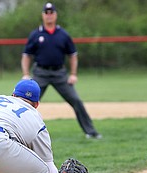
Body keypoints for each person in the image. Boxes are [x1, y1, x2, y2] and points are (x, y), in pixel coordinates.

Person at [21, 2, 102, 139]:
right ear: (43, 15)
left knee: (76, 101)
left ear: (55, 15)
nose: (49, 15)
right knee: (26, 102)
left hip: (60, 74)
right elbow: (26, 56)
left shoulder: (63, 34)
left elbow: (73, 56)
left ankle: (91, 132)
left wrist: (73, 74)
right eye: (46, 13)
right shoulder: (36, 34)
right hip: (40, 73)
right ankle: (18, 133)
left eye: (51, 12)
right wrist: (26, 74)